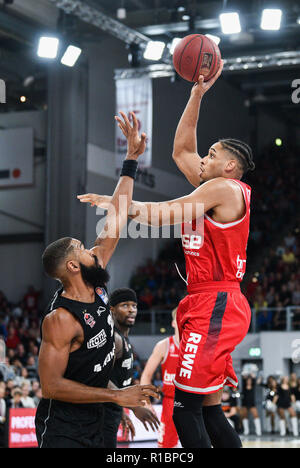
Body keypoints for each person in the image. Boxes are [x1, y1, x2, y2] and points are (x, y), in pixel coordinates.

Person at [80, 61, 255, 448]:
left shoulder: (224, 189)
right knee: (208, 411)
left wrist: (118, 202)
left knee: (183, 410)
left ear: (229, 166)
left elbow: (162, 215)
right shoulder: (211, 187)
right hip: (206, 301)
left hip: (216, 302)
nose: (202, 158)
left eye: (211, 154)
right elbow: (181, 149)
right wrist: (196, 94)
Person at [35, 112, 159, 449]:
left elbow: (117, 215)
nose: (92, 248)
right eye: (82, 248)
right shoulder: (60, 320)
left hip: (96, 418)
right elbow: (51, 386)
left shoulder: (96, 280)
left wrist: (131, 160)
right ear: (73, 267)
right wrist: (117, 396)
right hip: (62, 429)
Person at [102, 287, 160, 447]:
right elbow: (100, 377)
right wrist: (134, 407)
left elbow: (115, 379)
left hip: (112, 410)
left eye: (134, 306)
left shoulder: (125, 339)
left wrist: (121, 410)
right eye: (125, 305)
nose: (131, 310)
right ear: (112, 309)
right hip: (100, 415)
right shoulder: (114, 339)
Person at [140, 307, 180, 448]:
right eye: (179, 318)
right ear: (173, 323)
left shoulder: (197, 347)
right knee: (166, 447)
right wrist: (146, 402)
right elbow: (146, 375)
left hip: (193, 403)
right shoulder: (164, 345)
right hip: (170, 403)